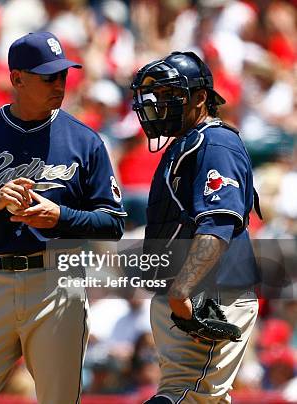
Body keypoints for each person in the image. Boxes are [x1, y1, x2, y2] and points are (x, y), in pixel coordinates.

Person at [0, 31, 126, 403]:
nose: (60, 84)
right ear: (17, 78)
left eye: (63, 75)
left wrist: (60, 216)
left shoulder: (84, 141)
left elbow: (113, 221)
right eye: (48, 77)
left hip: (57, 281)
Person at [131, 51, 260, 403]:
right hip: (186, 293)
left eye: (171, 95)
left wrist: (180, 292)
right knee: (206, 397)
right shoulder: (185, 144)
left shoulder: (215, 144)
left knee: (187, 394)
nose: (159, 104)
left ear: (200, 97)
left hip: (208, 292)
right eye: (156, 96)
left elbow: (218, 223)